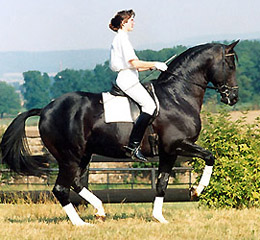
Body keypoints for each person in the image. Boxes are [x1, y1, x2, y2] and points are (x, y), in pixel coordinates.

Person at [109, 9, 168, 162]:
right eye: (131, 20)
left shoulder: (122, 38)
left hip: (130, 77)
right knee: (150, 107)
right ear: (124, 23)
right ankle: (133, 146)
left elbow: (139, 67)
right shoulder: (122, 39)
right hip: (127, 80)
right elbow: (134, 63)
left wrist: (153, 67)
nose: (133, 23)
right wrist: (155, 63)